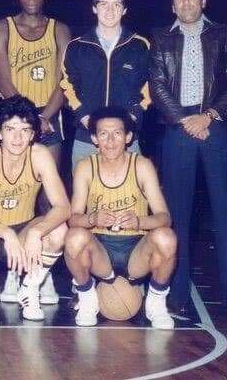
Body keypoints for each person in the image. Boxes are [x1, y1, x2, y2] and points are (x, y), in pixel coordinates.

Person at [149, 0, 227, 316]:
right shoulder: (161, 39)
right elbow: (158, 85)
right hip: (178, 129)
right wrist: (184, 120)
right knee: (176, 215)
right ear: (172, 5)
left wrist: (210, 115)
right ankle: (175, 297)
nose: (187, 2)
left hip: (215, 126)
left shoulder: (223, 35)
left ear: (203, 2)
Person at [64, 107, 176, 329]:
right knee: (74, 237)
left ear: (128, 137)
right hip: (101, 250)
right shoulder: (86, 167)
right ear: (94, 138)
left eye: (117, 133)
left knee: (166, 238)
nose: (111, 140)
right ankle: (87, 298)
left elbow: (164, 217)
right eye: (103, 134)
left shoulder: (142, 166)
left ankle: (156, 301)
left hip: (136, 249)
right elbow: (73, 219)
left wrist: (139, 221)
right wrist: (92, 218)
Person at [0, 96, 69, 320]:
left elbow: (63, 207)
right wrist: (5, 233)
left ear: (33, 134)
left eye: (25, 130)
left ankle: (30, 287)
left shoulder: (40, 155)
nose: (17, 137)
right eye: (10, 129)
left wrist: (36, 231)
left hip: (24, 229)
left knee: (59, 230)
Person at [60, 0, 150, 168]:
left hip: (127, 139)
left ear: (124, 10)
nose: (110, 11)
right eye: (103, 4)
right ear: (94, 8)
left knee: (129, 195)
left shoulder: (140, 46)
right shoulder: (76, 47)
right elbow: (67, 86)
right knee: (85, 196)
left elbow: (150, 87)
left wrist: (128, 122)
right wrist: (87, 120)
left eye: (116, 4)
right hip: (86, 138)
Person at [0, 0, 70, 170]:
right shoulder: (3, 28)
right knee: (14, 185)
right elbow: (3, 80)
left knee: (48, 192)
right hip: (14, 114)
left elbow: (63, 82)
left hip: (49, 114)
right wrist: (30, 118)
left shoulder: (60, 30)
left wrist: (43, 117)